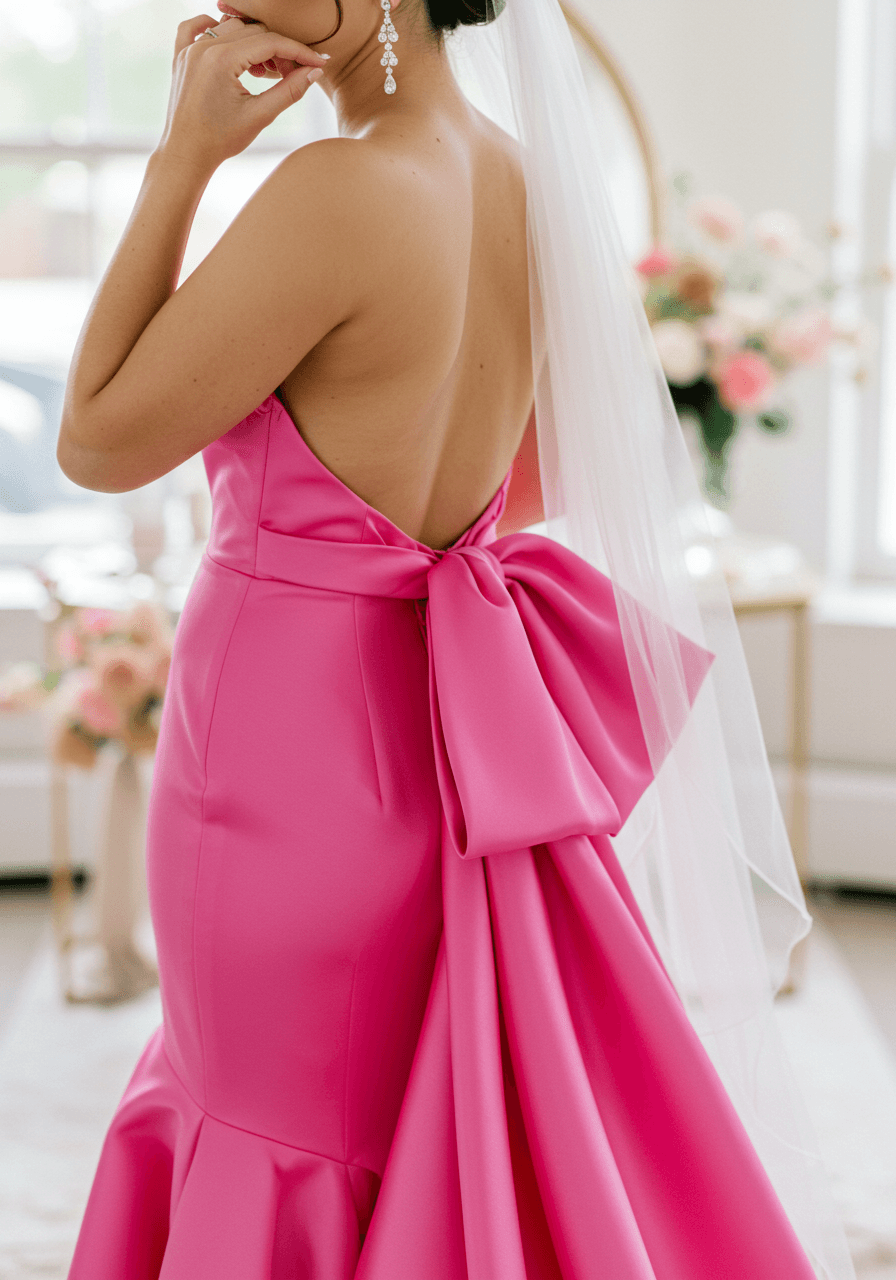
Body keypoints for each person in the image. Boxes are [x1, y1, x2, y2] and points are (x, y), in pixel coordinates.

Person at [59, 0, 855, 1276]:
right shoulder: (521, 180)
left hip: (279, 759)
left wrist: (181, 158)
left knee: (260, 1113)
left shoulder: (337, 191)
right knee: (381, 1116)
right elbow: (534, 478)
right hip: (434, 740)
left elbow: (97, 440)